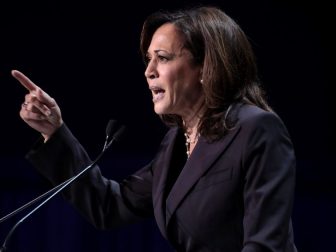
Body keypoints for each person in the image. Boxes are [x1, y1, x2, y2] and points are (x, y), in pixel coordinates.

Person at [12, 5, 297, 252]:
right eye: (149, 59)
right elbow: (110, 206)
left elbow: (265, 245)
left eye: (162, 57)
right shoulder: (175, 143)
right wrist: (55, 131)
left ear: (205, 67)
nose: (149, 71)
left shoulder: (256, 129)